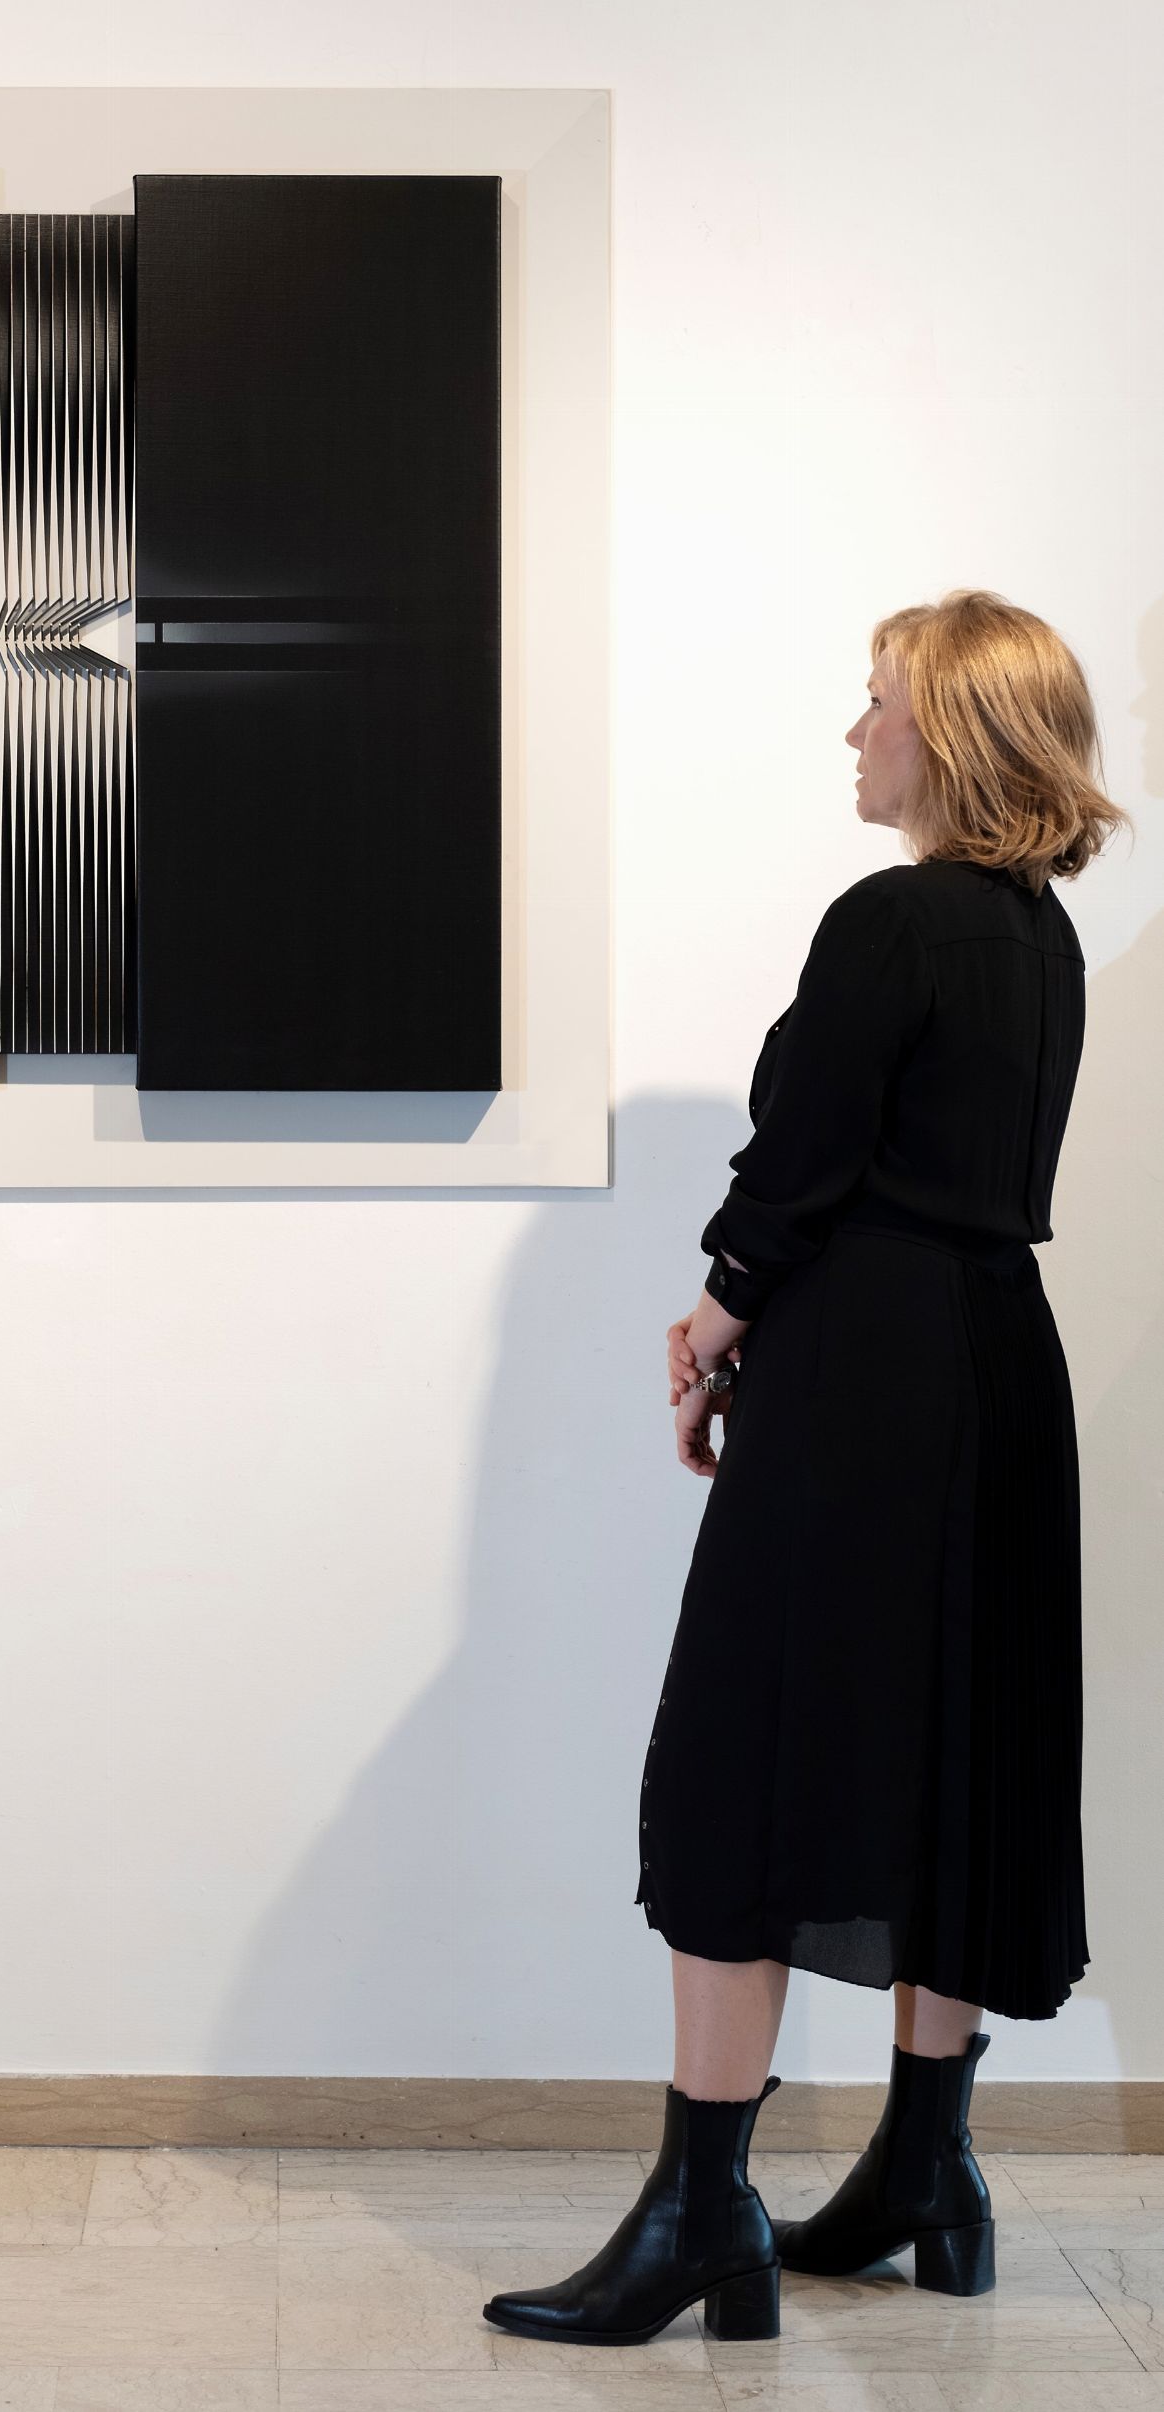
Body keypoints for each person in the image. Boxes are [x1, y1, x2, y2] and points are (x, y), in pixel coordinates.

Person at [483, 589, 1131, 2350]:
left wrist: (715, 1320)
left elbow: (804, 1157)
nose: (854, 734)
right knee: (953, 1749)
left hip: (861, 1375)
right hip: (998, 1367)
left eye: (876, 703)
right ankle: (928, 2170)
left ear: (952, 731)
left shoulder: (891, 918)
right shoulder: (1041, 940)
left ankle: (703, 2212)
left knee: (743, 1758)